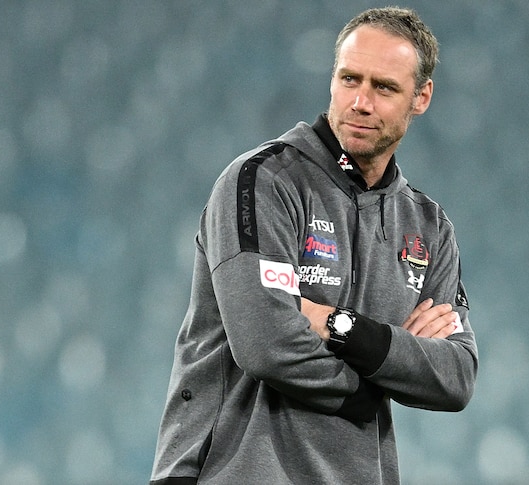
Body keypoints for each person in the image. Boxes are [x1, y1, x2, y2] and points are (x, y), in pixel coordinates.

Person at [149, 7, 478, 484]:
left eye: (383, 88)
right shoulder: (263, 182)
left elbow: (456, 375)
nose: (360, 102)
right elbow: (266, 342)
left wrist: (338, 325)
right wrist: (377, 381)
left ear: (421, 96)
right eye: (349, 79)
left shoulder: (428, 226)